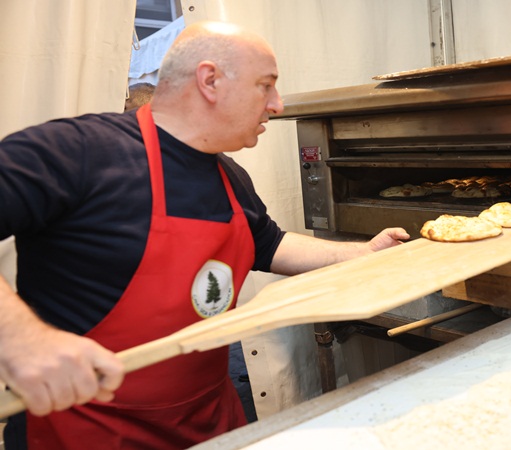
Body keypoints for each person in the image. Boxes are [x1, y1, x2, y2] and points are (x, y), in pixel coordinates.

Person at [0, 21, 409, 450]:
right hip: (87, 431)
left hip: (207, 423)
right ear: (210, 80)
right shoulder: (78, 152)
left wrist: (362, 254)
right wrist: (25, 340)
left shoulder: (230, 176)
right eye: (265, 86)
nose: (277, 104)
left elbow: (267, 244)